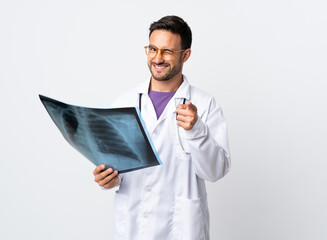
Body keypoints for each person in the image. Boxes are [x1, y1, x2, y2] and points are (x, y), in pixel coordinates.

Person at [93, 15, 231, 240]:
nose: (157, 58)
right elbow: (114, 167)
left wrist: (197, 130)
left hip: (181, 229)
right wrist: (109, 179)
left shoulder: (205, 105)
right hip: (133, 228)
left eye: (167, 51)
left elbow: (215, 171)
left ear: (185, 55)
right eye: (152, 49)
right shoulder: (123, 103)